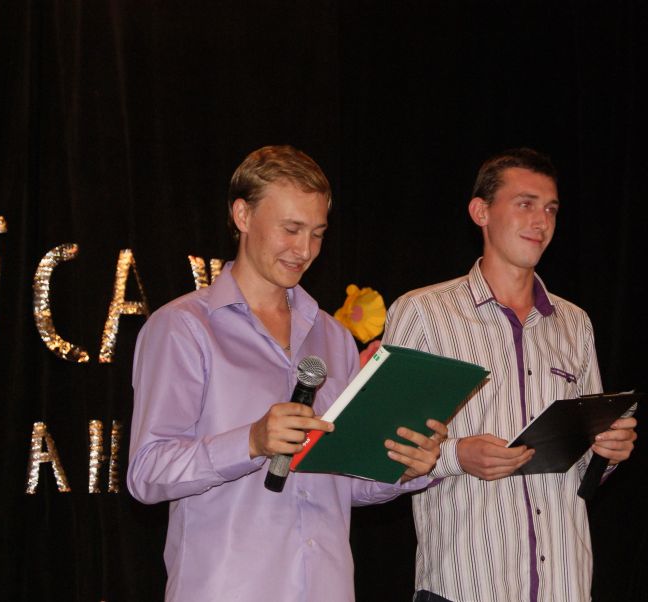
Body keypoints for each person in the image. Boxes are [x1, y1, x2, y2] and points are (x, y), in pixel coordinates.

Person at [127, 145, 446, 601]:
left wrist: (403, 467)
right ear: (242, 215)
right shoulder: (183, 327)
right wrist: (251, 441)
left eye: (317, 233)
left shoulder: (333, 336)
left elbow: (337, 484)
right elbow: (147, 473)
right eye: (291, 229)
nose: (305, 250)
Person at [382, 148, 638, 601]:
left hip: (564, 583)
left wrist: (608, 452)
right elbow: (385, 449)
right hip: (467, 584)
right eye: (525, 203)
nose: (541, 220)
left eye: (550, 208)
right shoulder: (423, 312)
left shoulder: (574, 323)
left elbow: (584, 469)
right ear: (480, 212)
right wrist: (457, 455)